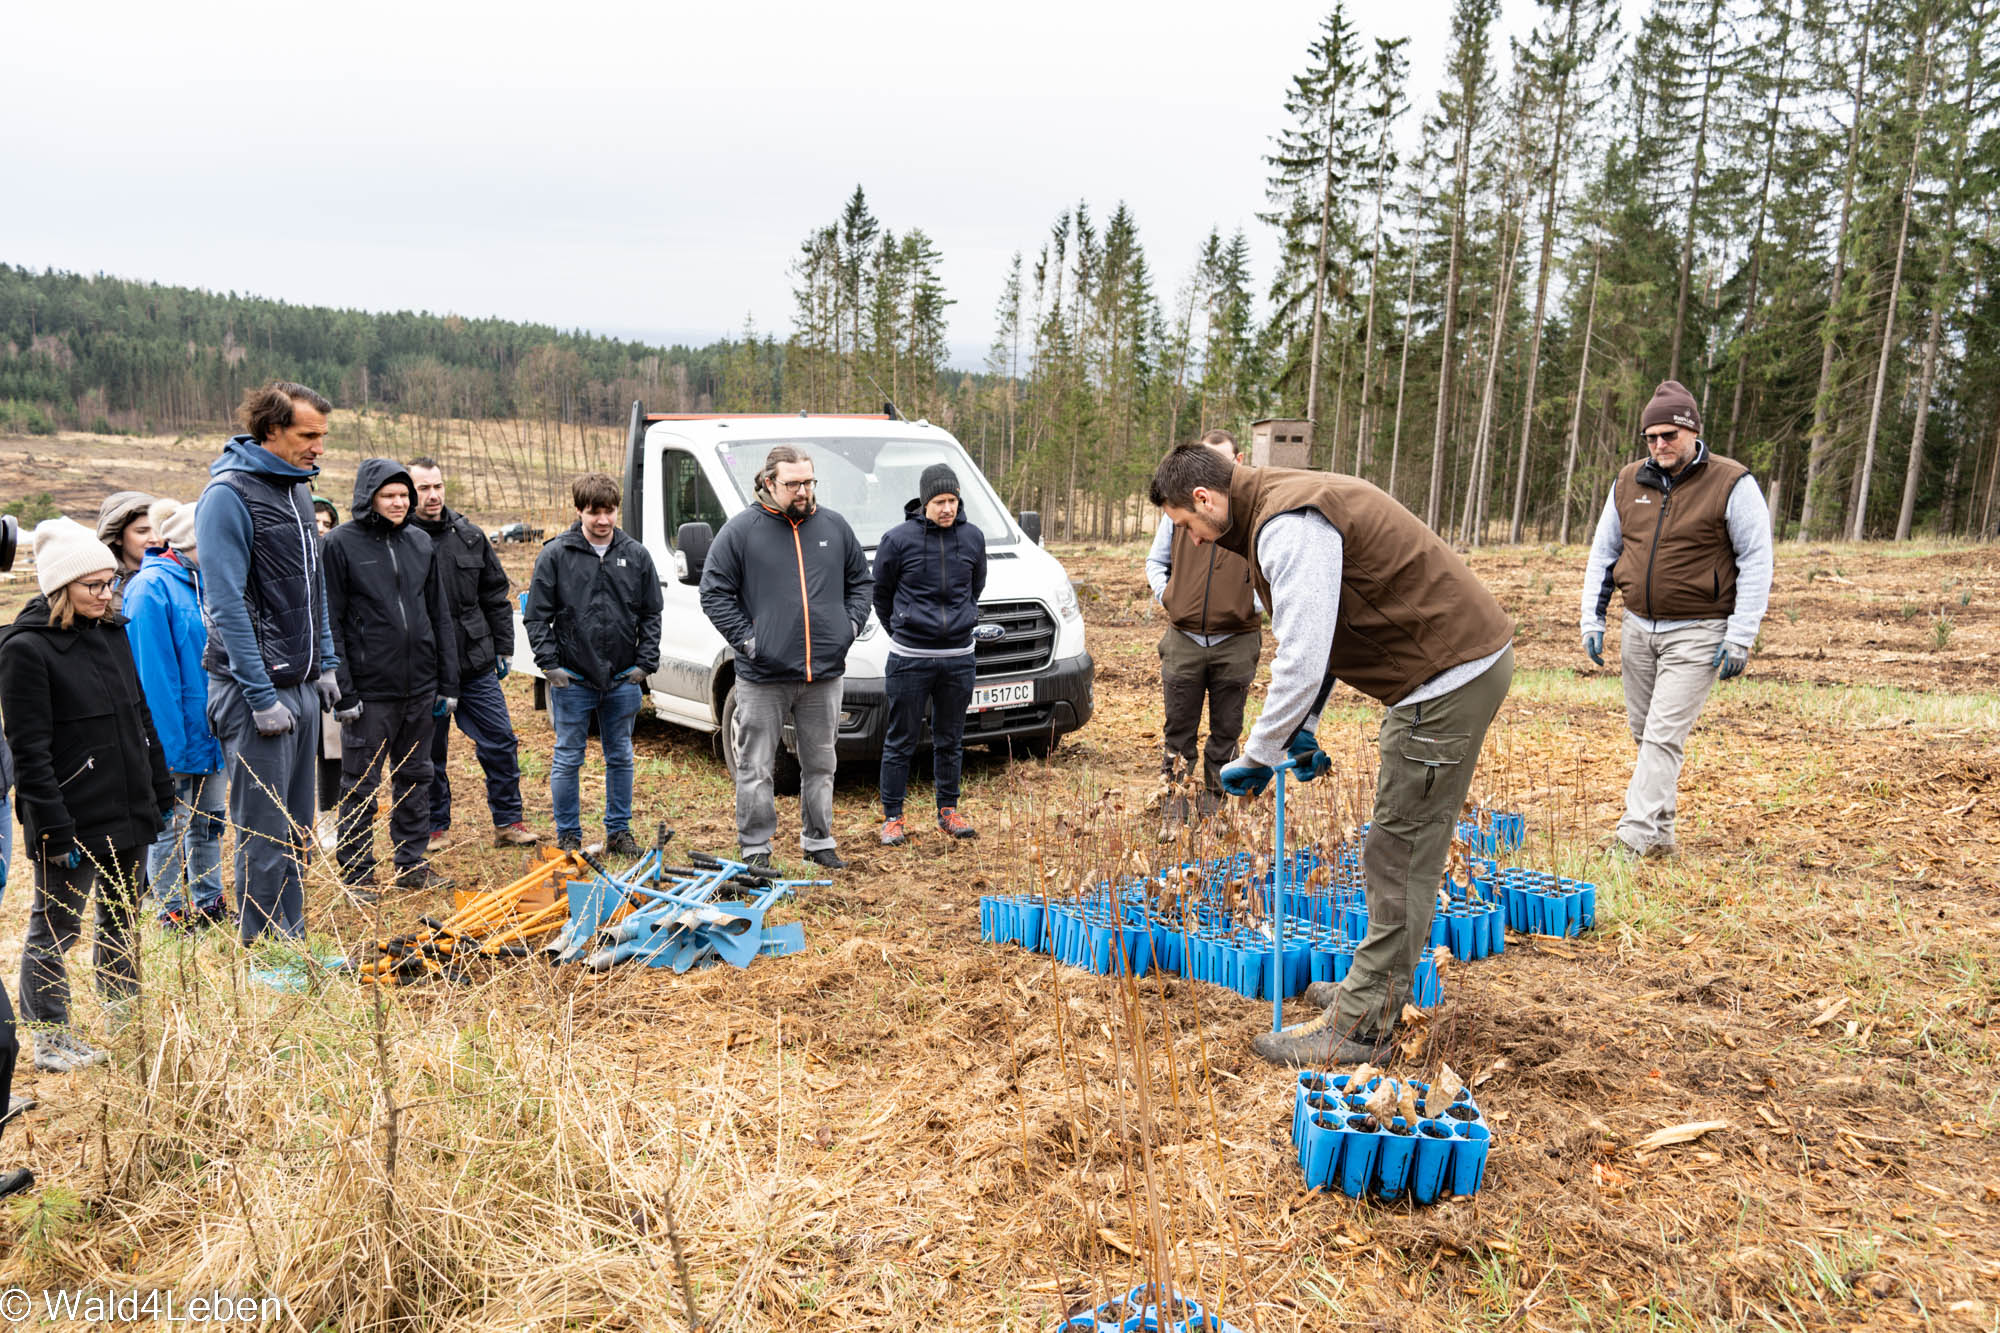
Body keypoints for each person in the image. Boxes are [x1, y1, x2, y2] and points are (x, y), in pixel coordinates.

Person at [1147, 444, 1515, 1068]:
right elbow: (1330, 625)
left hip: (1446, 681)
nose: (1194, 541)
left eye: (1187, 525)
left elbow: (1303, 650)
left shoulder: (1287, 525)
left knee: (1399, 853)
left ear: (1206, 500)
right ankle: (1367, 991)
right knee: (1394, 847)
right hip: (1446, 670)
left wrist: (1261, 753)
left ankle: (1360, 1027)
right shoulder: (1281, 505)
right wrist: (1303, 728)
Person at [0, 518, 174, 1073]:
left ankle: (125, 1016)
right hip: (72, 816)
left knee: (124, 917)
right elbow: (29, 749)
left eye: (110, 583)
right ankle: (51, 1036)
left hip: (128, 802)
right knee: (57, 924)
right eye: (93, 586)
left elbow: (139, 714)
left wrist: (160, 784)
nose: (106, 594)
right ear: (60, 587)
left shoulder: (114, 631)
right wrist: (52, 825)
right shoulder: (26, 650)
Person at [1579, 379, 1772, 860]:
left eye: (1670, 435)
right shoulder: (1628, 482)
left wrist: (1741, 635)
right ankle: (1661, 835)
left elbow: (1756, 560)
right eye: (1651, 437)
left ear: (1692, 432)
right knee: (1646, 735)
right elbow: (1605, 552)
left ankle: (1633, 836)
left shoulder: (1732, 483)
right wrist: (1593, 619)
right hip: (1639, 627)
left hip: (1700, 631)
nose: (1660, 445)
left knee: (1664, 736)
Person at [195, 381, 344, 944]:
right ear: (271, 430)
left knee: (298, 828)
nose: (318, 448)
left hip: (302, 684)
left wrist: (325, 662)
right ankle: (262, 954)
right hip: (256, 691)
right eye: (309, 435)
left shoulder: (298, 491)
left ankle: (292, 938)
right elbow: (225, 603)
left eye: (322, 436)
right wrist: (259, 696)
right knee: (264, 828)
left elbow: (313, 589)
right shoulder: (227, 496)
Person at [698, 445, 871, 871]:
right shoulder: (741, 531)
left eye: (808, 482)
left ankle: (819, 842)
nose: (803, 491)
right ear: (768, 483)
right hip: (762, 676)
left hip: (824, 675)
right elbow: (713, 591)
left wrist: (847, 629)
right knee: (755, 766)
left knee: (821, 762)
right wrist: (750, 641)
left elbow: (861, 582)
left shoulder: (834, 527)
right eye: (793, 484)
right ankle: (756, 849)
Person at [324, 460, 459, 899]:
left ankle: (411, 862)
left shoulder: (420, 542)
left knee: (417, 775)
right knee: (360, 784)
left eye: (405, 495)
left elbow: (438, 613)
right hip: (369, 691)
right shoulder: (341, 545)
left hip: (420, 687)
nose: (400, 502)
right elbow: (333, 620)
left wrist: (448, 683)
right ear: (369, 498)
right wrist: (344, 691)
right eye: (390, 495)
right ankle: (358, 872)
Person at [523, 473, 662, 856]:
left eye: (609, 511)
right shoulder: (556, 555)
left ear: (617, 510)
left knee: (620, 755)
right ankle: (568, 834)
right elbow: (536, 616)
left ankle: (619, 832)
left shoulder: (635, 555)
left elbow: (652, 613)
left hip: (621, 679)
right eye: (593, 512)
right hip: (574, 679)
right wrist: (550, 665)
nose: (602, 520)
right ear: (579, 511)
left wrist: (644, 664)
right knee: (568, 757)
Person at [405, 458, 540, 849]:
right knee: (430, 752)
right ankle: (433, 826)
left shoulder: (469, 536)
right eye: (423, 488)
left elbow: (495, 596)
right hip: (426, 668)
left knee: (500, 740)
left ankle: (508, 821)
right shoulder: (401, 542)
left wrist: (504, 648)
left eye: (438, 486)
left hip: (474, 662)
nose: (432, 496)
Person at [1145, 429, 1263, 830]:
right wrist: (1173, 598)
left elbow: (1272, 574)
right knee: (1178, 729)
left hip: (1237, 641)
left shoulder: (1253, 515)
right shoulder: (1179, 511)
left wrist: (1251, 603)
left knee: (1226, 731)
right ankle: (1174, 807)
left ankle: (1215, 808)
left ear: (1238, 461)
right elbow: (1155, 563)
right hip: (1184, 640)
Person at [122, 499, 231, 930]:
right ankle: (170, 910)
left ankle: (209, 902)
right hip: (174, 736)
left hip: (211, 729)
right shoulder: (151, 588)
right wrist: (165, 747)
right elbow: (153, 677)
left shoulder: (207, 583)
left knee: (209, 823)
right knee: (169, 826)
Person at [872, 463, 986, 846]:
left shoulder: (972, 539)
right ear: (925, 502)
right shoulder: (897, 540)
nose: (947, 508)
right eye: (939, 501)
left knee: (950, 738)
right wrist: (905, 628)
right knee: (900, 739)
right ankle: (892, 818)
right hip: (909, 658)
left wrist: (958, 621)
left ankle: (948, 810)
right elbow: (881, 595)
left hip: (958, 659)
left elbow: (975, 587)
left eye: (952, 500)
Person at [311, 496, 342, 849]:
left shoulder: (337, 560)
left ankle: (329, 818)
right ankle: (312, 819)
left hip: (335, 664)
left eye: (327, 522)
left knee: (333, 749)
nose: (321, 528)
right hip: (302, 666)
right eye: (315, 521)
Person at [95, 490, 155, 611]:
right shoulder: (94, 584)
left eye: (159, 530)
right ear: (117, 537)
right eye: (142, 531)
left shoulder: (182, 578)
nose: (154, 539)